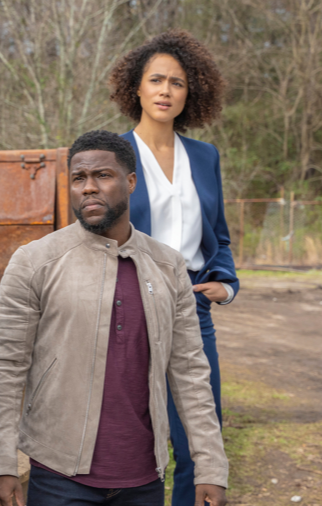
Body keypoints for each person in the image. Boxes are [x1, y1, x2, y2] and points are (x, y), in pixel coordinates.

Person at [0, 130, 228, 506]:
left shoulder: (168, 266)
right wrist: (0, 465)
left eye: (103, 175)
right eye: (78, 178)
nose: (89, 188)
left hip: (144, 478)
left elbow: (190, 371)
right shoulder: (35, 261)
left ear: (131, 182)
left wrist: (211, 467)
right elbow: (6, 367)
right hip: (59, 475)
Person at [109, 30, 239, 506]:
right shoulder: (112, 154)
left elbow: (218, 235)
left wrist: (225, 284)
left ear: (191, 93)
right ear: (137, 88)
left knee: (198, 440)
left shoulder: (205, 156)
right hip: (126, 306)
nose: (166, 90)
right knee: (129, 439)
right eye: (156, 80)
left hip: (192, 308)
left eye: (177, 82)